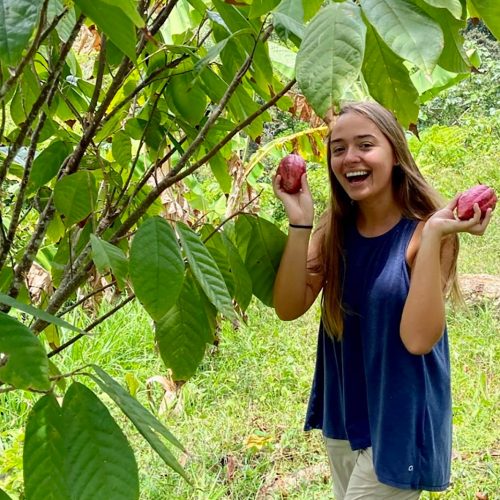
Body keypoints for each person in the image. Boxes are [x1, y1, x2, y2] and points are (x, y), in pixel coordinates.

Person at [272, 101, 493, 499]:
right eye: (338, 149)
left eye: (365, 144)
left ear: (394, 154)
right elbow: (289, 307)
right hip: (346, 412)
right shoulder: (333, 229)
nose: (350, 158)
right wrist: (300, 220)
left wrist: (435, 236)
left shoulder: (426, 232)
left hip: (399, 422)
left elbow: (417, 340)